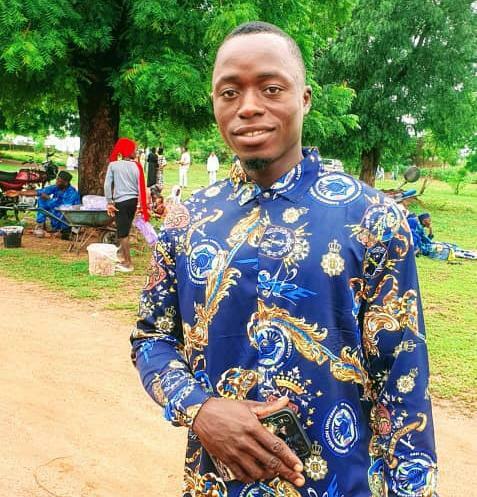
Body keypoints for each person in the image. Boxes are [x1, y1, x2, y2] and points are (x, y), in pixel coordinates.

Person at [131, 21, 437, 497]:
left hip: (341, 484)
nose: (249, 106)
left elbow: (403, 381)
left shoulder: (373, 219)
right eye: (229, 92)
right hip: (217, 485)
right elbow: (151, 337)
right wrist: (199, 408)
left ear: (305, 98)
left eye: (271, 88)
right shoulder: (186, 220)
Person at [104, 137, 149, 272]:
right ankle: (123, 258)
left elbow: (107, 185)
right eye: (134, 150)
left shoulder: (113, 165)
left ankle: (128, 264)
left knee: (122, 234)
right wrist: (140, 205)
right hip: (132, 202)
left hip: (121, 202)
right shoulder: (137, 166)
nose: (135, 152)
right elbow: (141, 186)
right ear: (127, 151)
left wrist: (109, 202)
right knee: (125, 230)